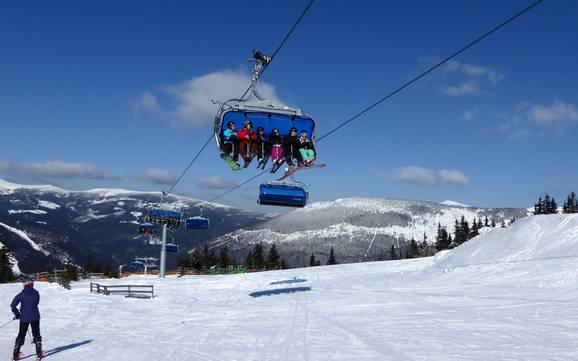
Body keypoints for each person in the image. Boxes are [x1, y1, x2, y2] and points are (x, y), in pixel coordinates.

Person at [11, 278, 43, 360]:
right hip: (35, 316)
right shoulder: (36, 293)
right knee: (36, 333)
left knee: (21, 334)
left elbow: (13, 306)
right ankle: (39, 353)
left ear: (24, 285)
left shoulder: (20, 295)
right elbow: (36, 303)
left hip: (24, 318)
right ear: (32, 284)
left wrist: (17, 314)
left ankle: (16, 354)